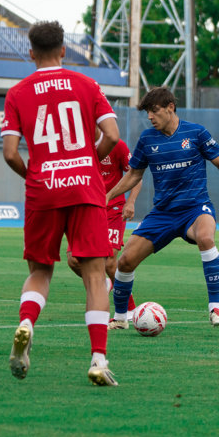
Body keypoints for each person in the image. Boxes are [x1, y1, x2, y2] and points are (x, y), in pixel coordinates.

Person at [1, 20, 120, 386]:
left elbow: (10, 153)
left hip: (43, 189)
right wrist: (87, 164)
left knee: (40, 272)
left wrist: (35, 175)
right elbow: (112, 135)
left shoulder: (17, 93)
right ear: (64, 50)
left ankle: (26, 323)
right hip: (85, 187)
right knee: (95, 276)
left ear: (31, 53)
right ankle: (98, 360)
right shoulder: (87, 85)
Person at [104, 86, 219, 329]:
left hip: (195, 208)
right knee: (125, 261)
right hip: (162, 213)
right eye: (147, 113)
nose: (150, 117)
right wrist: (108, 196)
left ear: (170, 107)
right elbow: (134, 175)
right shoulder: (147, 139)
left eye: (154, 111)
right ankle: (121, 318)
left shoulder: (196, 133)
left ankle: (215, 308)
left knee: (206, 237)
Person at [67, 130, 142, 319]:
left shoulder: (117, 145)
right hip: (85, 209)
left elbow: (135, 175)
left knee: (109, 262)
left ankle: (129, 308)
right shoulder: (77, 146)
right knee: (74, 260)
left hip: (112, 208)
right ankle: (104, 284)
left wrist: (130, 202)